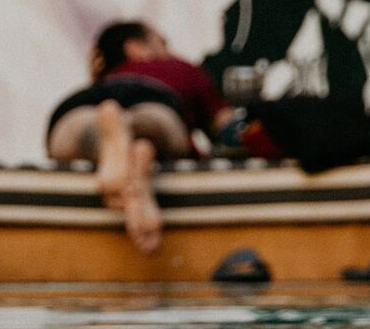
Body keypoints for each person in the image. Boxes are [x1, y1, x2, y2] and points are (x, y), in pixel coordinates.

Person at [45, 20, 244, 253]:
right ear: (135, 48)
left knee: (83, 133)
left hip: (81, 104)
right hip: (154, 98)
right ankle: (138, 142)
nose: (169, 51)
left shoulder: (102, 80)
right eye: (162, 43)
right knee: (157, 127)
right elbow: (228, 127)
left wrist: (96, 80)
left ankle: (109, 140)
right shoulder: (178, 68)